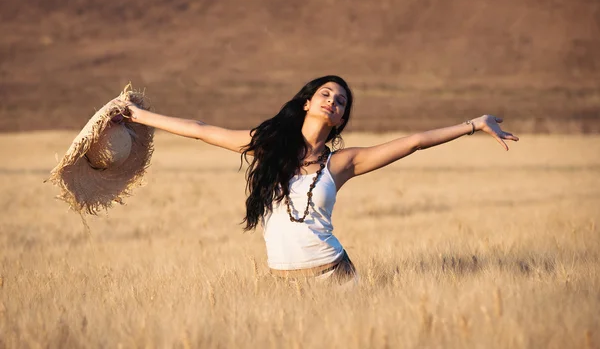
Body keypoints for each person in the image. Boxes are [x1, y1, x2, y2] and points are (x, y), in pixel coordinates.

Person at [113, 75, 519, 285]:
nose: (333, 101)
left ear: (341, 118)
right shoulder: (267, 146)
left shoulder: (342, 163)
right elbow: (201, 128)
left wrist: (473, 124)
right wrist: (138, 115)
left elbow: (412, 142)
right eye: (326, 93)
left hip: (336, 278)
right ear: (307, 102)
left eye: (340, 101)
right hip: (283, 285)